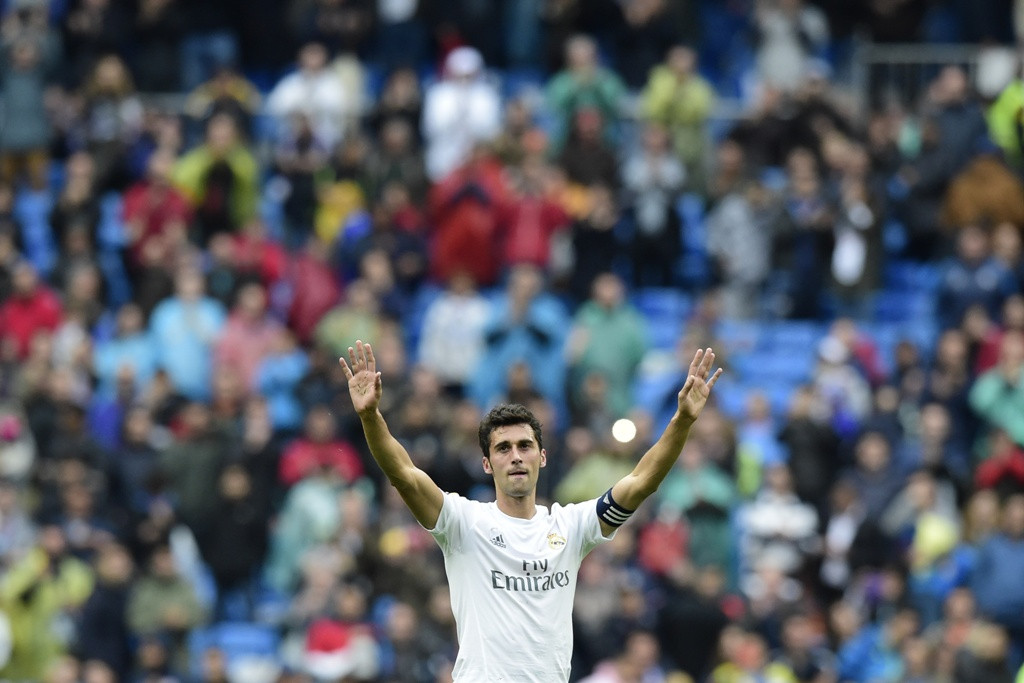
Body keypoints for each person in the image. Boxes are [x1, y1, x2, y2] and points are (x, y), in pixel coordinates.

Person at [340, 339, 722, 681]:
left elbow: (641, 483)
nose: (516, 457)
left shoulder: (571, 526)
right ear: (487, 464)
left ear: (542, 456)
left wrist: (682, 421)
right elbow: (404, 474)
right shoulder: (463, 523)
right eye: (503, 449)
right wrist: (371, 417)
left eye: (524, 446)